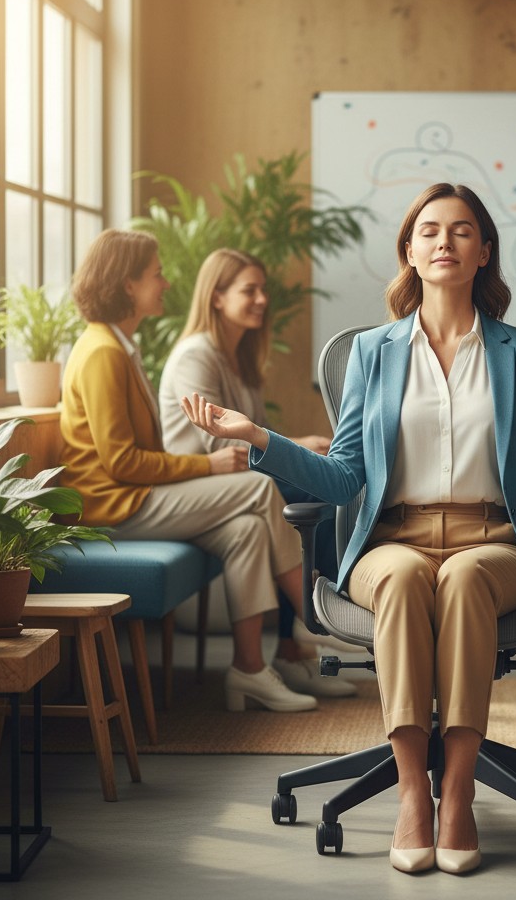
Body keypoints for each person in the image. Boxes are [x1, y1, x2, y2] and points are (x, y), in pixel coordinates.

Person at [180, 182, 516, 875]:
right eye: (429, 231)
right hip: (390, 541)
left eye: (462, 231)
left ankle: (456, 795)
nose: (444, 242)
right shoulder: (372, 352)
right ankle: (412, 796)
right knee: (403, 576)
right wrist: (259, 438)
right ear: (409, 250)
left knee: (462, 576)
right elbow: (342, 479)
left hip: (493, 543)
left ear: (484, 251)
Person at [60, 229, 323, 715]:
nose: (165, 284)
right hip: (112, 508)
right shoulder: (102, 353)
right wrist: (207, 464)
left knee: (246, 530)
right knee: (259, 490)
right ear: (127, 284)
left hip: (132, 498)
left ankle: (249, 670)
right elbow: (120, 462)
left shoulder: (118, 347)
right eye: (156, 275)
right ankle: (318, 618)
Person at [158, 247, 355, 699]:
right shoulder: (195, 356)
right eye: (250, 290)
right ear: (217, 297)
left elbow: (252, 432)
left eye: (263, 290)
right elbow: (216, 444)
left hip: (236, 478)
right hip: (202, 483)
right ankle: (314, 614)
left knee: (309, 487)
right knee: (312, 492)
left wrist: (296, 446)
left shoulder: (239, 357)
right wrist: (297, 448)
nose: (262, 299)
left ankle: (292, 648)